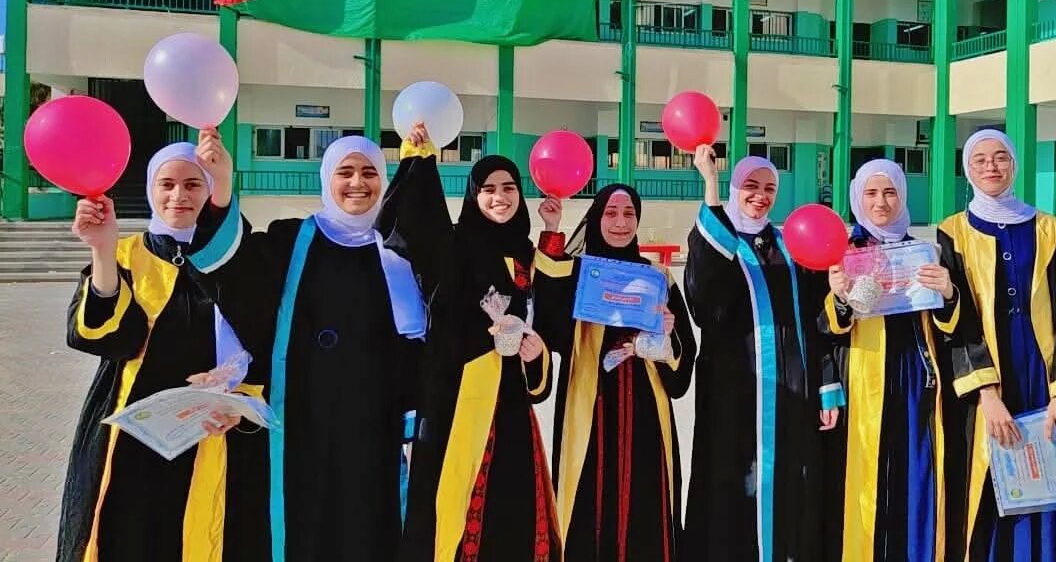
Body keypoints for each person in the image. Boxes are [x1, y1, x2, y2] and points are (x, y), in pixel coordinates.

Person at [188, 129, 435, 562]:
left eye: (369, 172)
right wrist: (223, 189)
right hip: (302, 418)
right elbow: (236, 274)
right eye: (345, 172)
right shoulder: (290, 241)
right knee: (303, 523)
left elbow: (431, 331)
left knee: (371, 524)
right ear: (326, 177)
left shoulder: (399, 249)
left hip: (373, 423)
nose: (358, 183)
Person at [57, 142, 269, 562]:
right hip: (139, 439)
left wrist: (244, 397)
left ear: (211, 190)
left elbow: (267, 339)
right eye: (167, 184)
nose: (179, 196)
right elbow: (108, 338)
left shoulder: (242, 258)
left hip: (220, 432)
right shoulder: (127, 253)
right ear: (152, 190)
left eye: (193, 184)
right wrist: (101, 248)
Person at [396, 148, 566, 562]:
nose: (500, 197)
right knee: (455, 502)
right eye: (488, 189)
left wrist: (534, 353)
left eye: (508, 187)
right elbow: (417, 229)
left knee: (514, 506)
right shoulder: (453, 245)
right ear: (473, 197)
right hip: (461, 399)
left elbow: (552, 316)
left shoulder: (526, 253)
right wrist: (419, 161)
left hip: (511, 407)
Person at [935, 129, 1056, 562]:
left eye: (1000, 157)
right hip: (988, 384)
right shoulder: (953, 233)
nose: (991, 166)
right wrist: (985, 393)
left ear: (1014, 164)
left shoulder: (1046, 227)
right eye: (980, 159)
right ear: (967, 168)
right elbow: (956, 320)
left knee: (1048, 479)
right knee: (987, 482)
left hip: (1041, 377)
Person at [680, 145, 841, 562]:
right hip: (735, 391)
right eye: (750, 186)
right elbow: (702, 301)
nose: (760, 195)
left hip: (792, 389)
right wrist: (710, 186)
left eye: (769, 187)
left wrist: (826, 384)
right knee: (732, 484)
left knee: (793, 482)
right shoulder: (717, 240)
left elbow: (817, 317)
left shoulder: (791, 244)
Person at [533, 184, 697, 562]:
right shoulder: (580, 275)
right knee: (589, 496)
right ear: (595, 218)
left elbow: (684, 356)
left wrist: (667, 334)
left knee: (647, 498)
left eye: (629, 214)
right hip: (591, 405)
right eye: (611, 213)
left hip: (646, 410)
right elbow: (549, 322)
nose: (621, 223)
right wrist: (553, 228)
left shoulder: (658, 278)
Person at [820, 159, 955, 562]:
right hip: (864, 380)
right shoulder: (842, 252)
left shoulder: (923, 251)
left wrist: (949, 293)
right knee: (867, 480)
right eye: (872, 193)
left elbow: (946, 325)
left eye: (890, 192)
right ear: (858, 198)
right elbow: (821, 328)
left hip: (917, 380)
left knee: (917, 476)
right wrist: (839, 298)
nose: (881, 202)